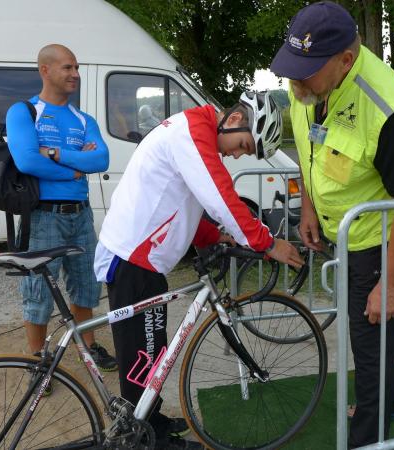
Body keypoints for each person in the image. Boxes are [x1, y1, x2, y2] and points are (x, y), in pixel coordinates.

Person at [93, 91, 304, 449]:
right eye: (243, 145)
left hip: (141, 259)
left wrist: (214, 235)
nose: (237, 155)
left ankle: (151, 420)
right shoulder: (192, 133)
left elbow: (184, 202)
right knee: (143, 354)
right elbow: (222, 199)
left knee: (153, 349)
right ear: (234, 120)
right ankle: (143, 438)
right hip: (133, 259)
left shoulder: (195, 132)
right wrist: (268, 243)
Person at [269, 2, 394, 447]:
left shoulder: (391, 113)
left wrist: (390, 286)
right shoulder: (306, 88)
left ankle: (367, 437)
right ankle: (393, 401)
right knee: (374, 337)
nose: (295, 82)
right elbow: (310, 150)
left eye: (305, 72)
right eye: (290, 68)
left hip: (380, 244)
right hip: (343, 233)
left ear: (346, 60)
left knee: (369, 345)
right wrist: (308, 208)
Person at [6, 44, 117, 372]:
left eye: (76, 67)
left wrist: (54, 154)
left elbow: (101, 159)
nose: (75, 74)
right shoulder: (24, 112)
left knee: (87, 286)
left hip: (81, 214)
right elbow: (27, 160)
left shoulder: (83, 119)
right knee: (38, 291)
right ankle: (38, 360)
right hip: (43, 217)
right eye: (68, 67)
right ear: (45, 70)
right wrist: (74, 168)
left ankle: (89, 347)